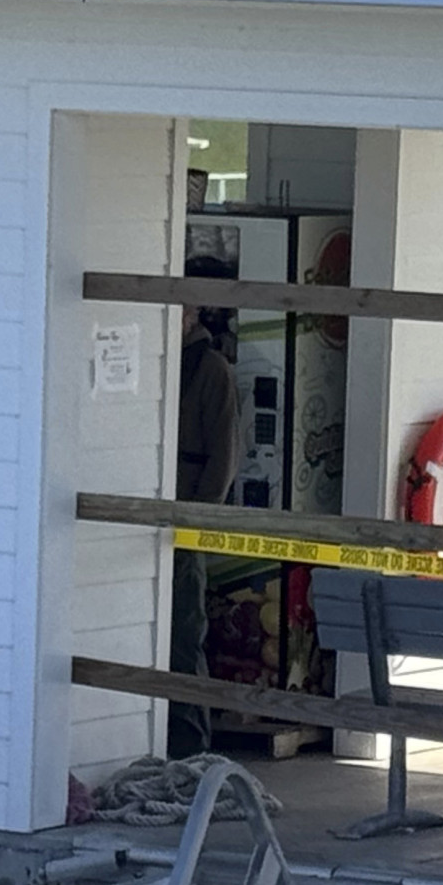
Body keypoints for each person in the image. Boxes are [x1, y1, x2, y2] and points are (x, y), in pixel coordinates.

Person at [168, 256, 245, 756]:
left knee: (182, 636)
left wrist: (198, 521)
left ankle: (192, 748)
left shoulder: (211, 370)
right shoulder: (161, 365)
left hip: (185, 520)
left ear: (192, 312)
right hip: (150, 514)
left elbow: (226, 455)